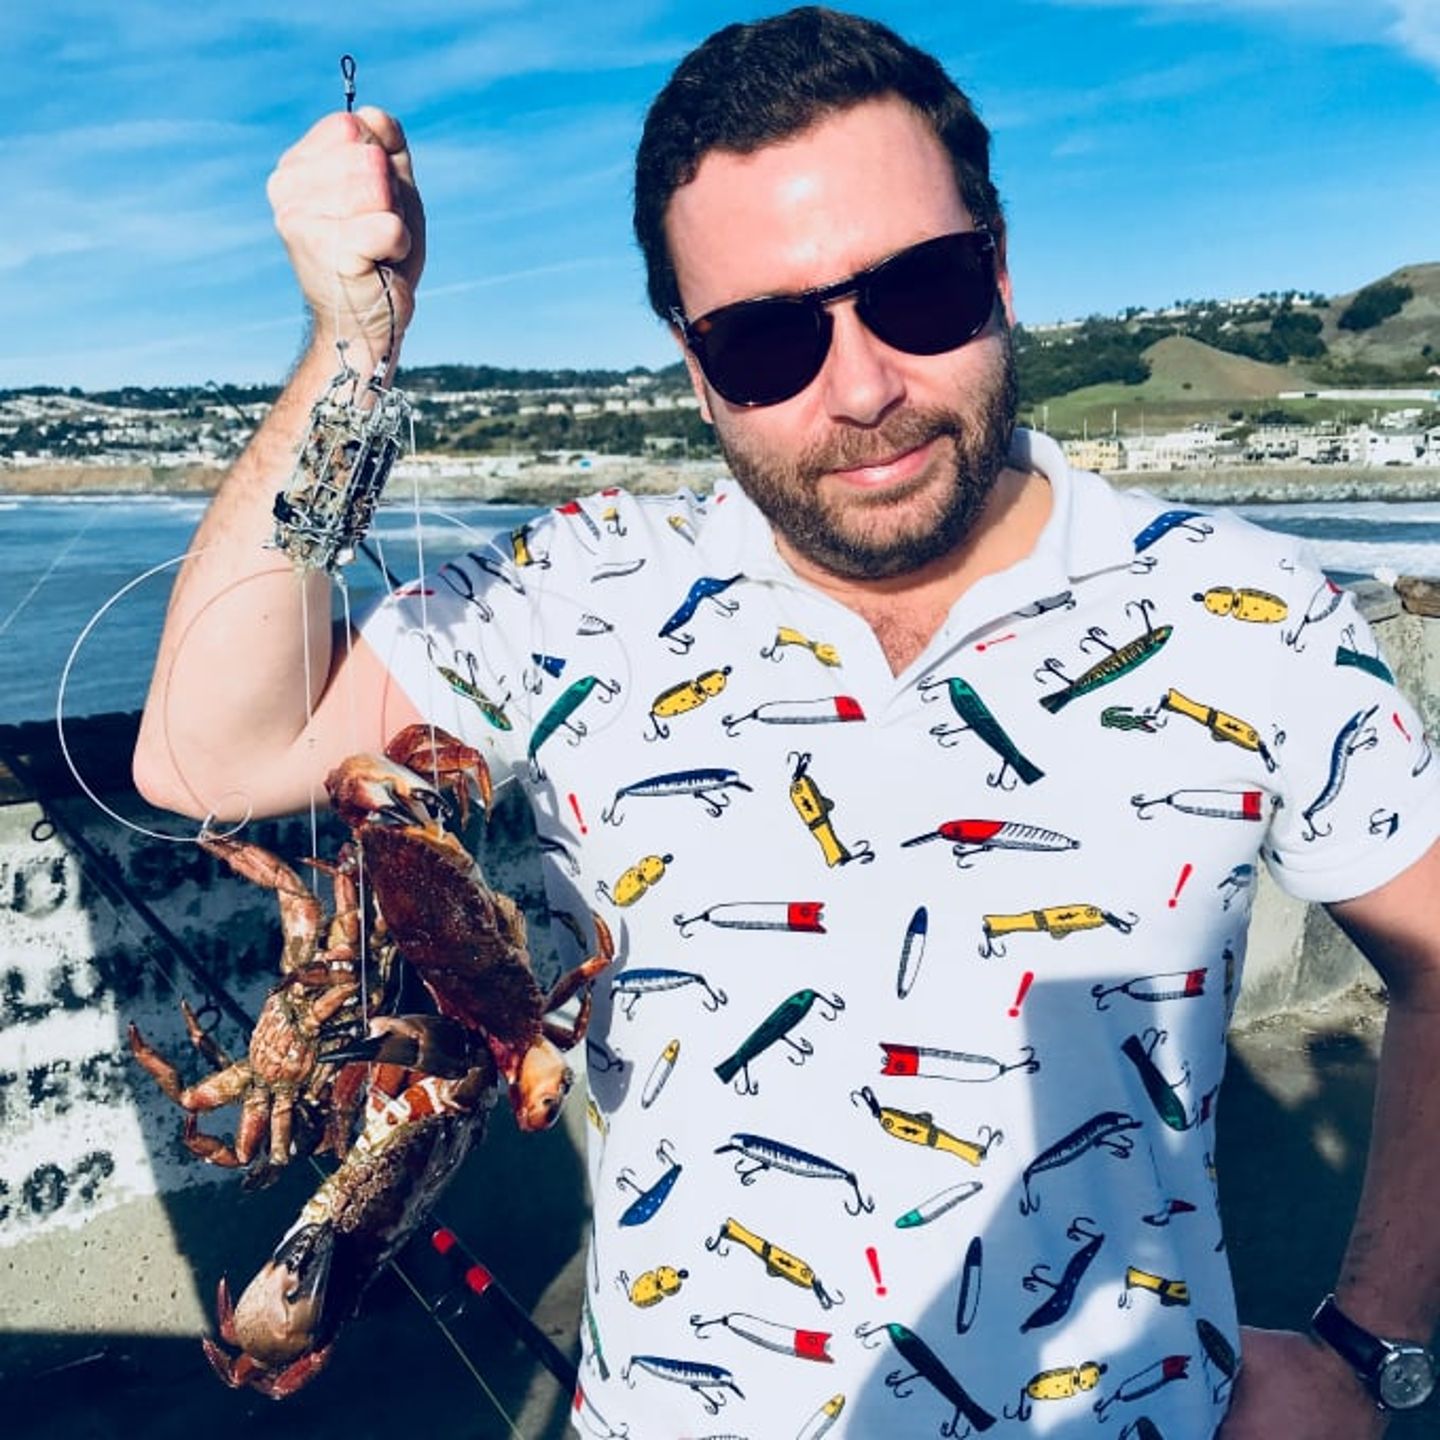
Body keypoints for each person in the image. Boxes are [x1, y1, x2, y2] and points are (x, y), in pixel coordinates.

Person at [134, 8, 1440, 1436]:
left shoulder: (1244, 612)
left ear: (1000, 269)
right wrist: (352, 348)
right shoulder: (580, 592)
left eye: (922, 292)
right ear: (696, 366)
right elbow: (209, 751)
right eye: (766, 340)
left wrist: (1372, 1345)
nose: (863, 386)